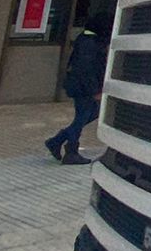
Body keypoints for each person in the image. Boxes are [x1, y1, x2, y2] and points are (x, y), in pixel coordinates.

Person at [46, 12, 110, 164]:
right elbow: (86, 70)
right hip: (83, 88)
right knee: (83, 116)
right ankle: (70, 151)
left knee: (88, 115)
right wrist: (94, 90)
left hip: (81, 86)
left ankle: (57, 140)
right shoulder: (89, 43)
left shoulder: (88, 39)